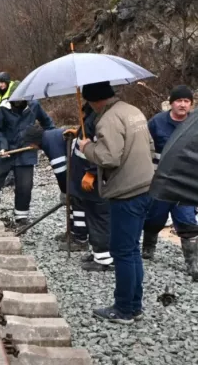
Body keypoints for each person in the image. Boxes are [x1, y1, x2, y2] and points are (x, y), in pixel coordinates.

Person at [77, 81, 154, 324]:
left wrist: (87, 147)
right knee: (132, 250)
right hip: (146, 187)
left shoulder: (107, 120)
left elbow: (108, 157)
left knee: (122, 251)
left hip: (126, 192)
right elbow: (151, 146)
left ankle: (123, 309)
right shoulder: (133, 111)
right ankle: (134, 305)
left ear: (95, 101)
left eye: (89, 103)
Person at [22, 123, 114, 271]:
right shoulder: (49, 138)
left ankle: (80, 238)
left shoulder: (50, 143)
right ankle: (76, 234)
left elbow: (61, 173)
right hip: (80, 170)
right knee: (77, 202)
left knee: (79, 204)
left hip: (86, 171)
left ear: (34, 141)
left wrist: (67, 191)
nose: (31, 147)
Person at [143, 85, 197, 262]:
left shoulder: (194, 125)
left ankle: (193, 262)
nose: (183, 105)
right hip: (161, 181)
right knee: (154, 217)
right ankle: (148, 249)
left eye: (186, 101)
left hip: (185, 181)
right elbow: (144, 148)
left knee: (187, 221)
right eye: (179, 101)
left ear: (191, 104)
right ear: (171, 103)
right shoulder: (157, 122)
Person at [0, 99, 54, 226]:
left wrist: (45, 139)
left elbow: (47, 124)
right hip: (6, 150)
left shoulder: (34, 105)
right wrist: (3, 146)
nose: (18, 102)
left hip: (26, 150)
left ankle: (21, 216)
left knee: (25, 186)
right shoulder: (3, 107)